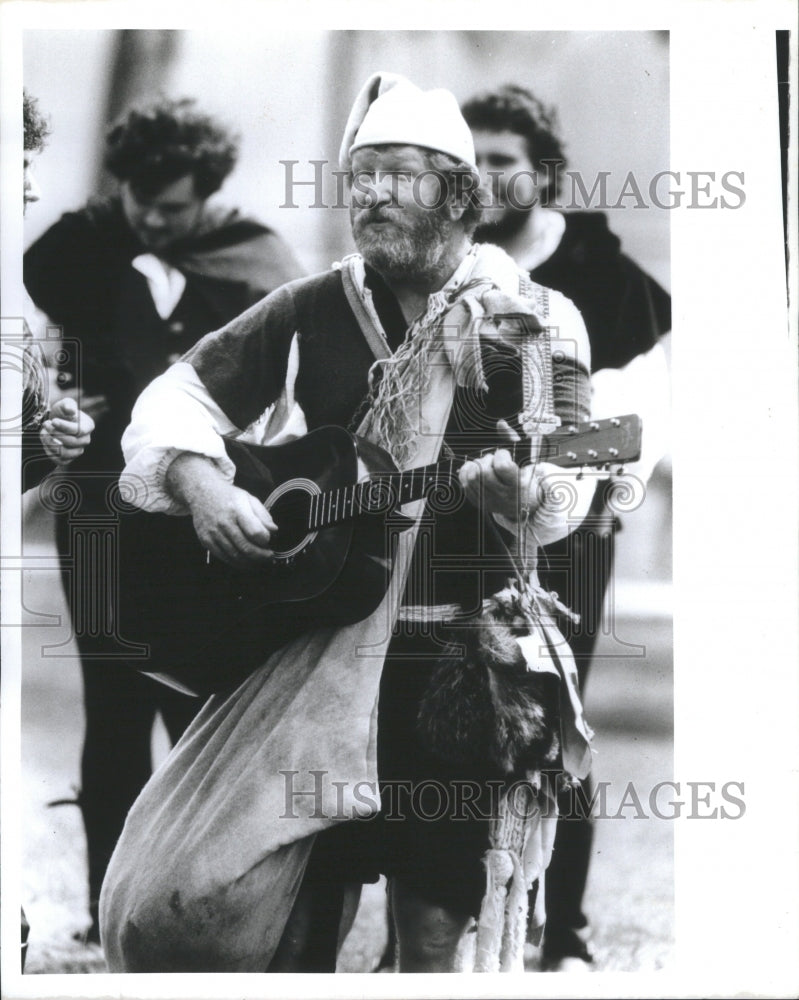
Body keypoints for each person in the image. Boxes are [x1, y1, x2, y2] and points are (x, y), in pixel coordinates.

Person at [110, 72, 596, 974]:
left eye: (397, 175)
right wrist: (205, 486)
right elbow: (173, 396)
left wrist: (521, 500)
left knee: (434, 933)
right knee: (285, 924)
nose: (368, 193)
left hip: (458, 670)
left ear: (457, 196)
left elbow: (570, 482)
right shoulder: (310, 307)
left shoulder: (533, 322)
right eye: (359, 174)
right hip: (313, 663)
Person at [23, 95, 306, 944]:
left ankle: (188, 896)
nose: (151, 218)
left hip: (198, 510)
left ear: (209, 194)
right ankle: (106, 904)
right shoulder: (84, 244)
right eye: (138, 200)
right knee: (112, 702)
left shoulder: (254, 258)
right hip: (101, 507)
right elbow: (47, 285)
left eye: (172, 206)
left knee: (199, 700)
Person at [461, 83, 672, 972]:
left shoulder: (615, 288)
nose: (476, 178)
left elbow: (638, 426)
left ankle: (565, 939)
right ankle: (460, 924)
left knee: (555, 719)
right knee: (458, 718)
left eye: (498, 163)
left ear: (542, 173)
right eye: (464, 162)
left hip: (571, 540)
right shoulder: (454, 269)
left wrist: (558, 483)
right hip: (456, 527)